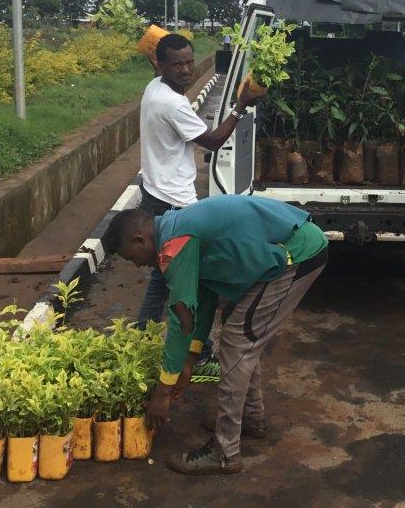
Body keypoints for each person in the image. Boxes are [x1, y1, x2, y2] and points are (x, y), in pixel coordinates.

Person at [103, 195, 329, 475]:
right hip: (286, 251)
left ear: (140, 240)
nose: (137, 265)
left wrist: (162, 391)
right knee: (241, 334)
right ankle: (251, 418)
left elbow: (180, 317)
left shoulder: (175, 244)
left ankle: (225, 452)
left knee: (237, 342)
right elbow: (204, 297)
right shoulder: (175, 228)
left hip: (296, 255)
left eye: (131, 257)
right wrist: (190, 358)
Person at [136, 32, 264, 379]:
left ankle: (139, 338)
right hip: (175, 204)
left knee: (163, 278)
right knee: (188, 281)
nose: (186, 69)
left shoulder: (154, 89)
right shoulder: (172, 105)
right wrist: (241, 105)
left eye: (189, 61)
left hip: (155, 192)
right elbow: (213, 141)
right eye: (176, 64)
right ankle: (199, 351)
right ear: (160, 65)